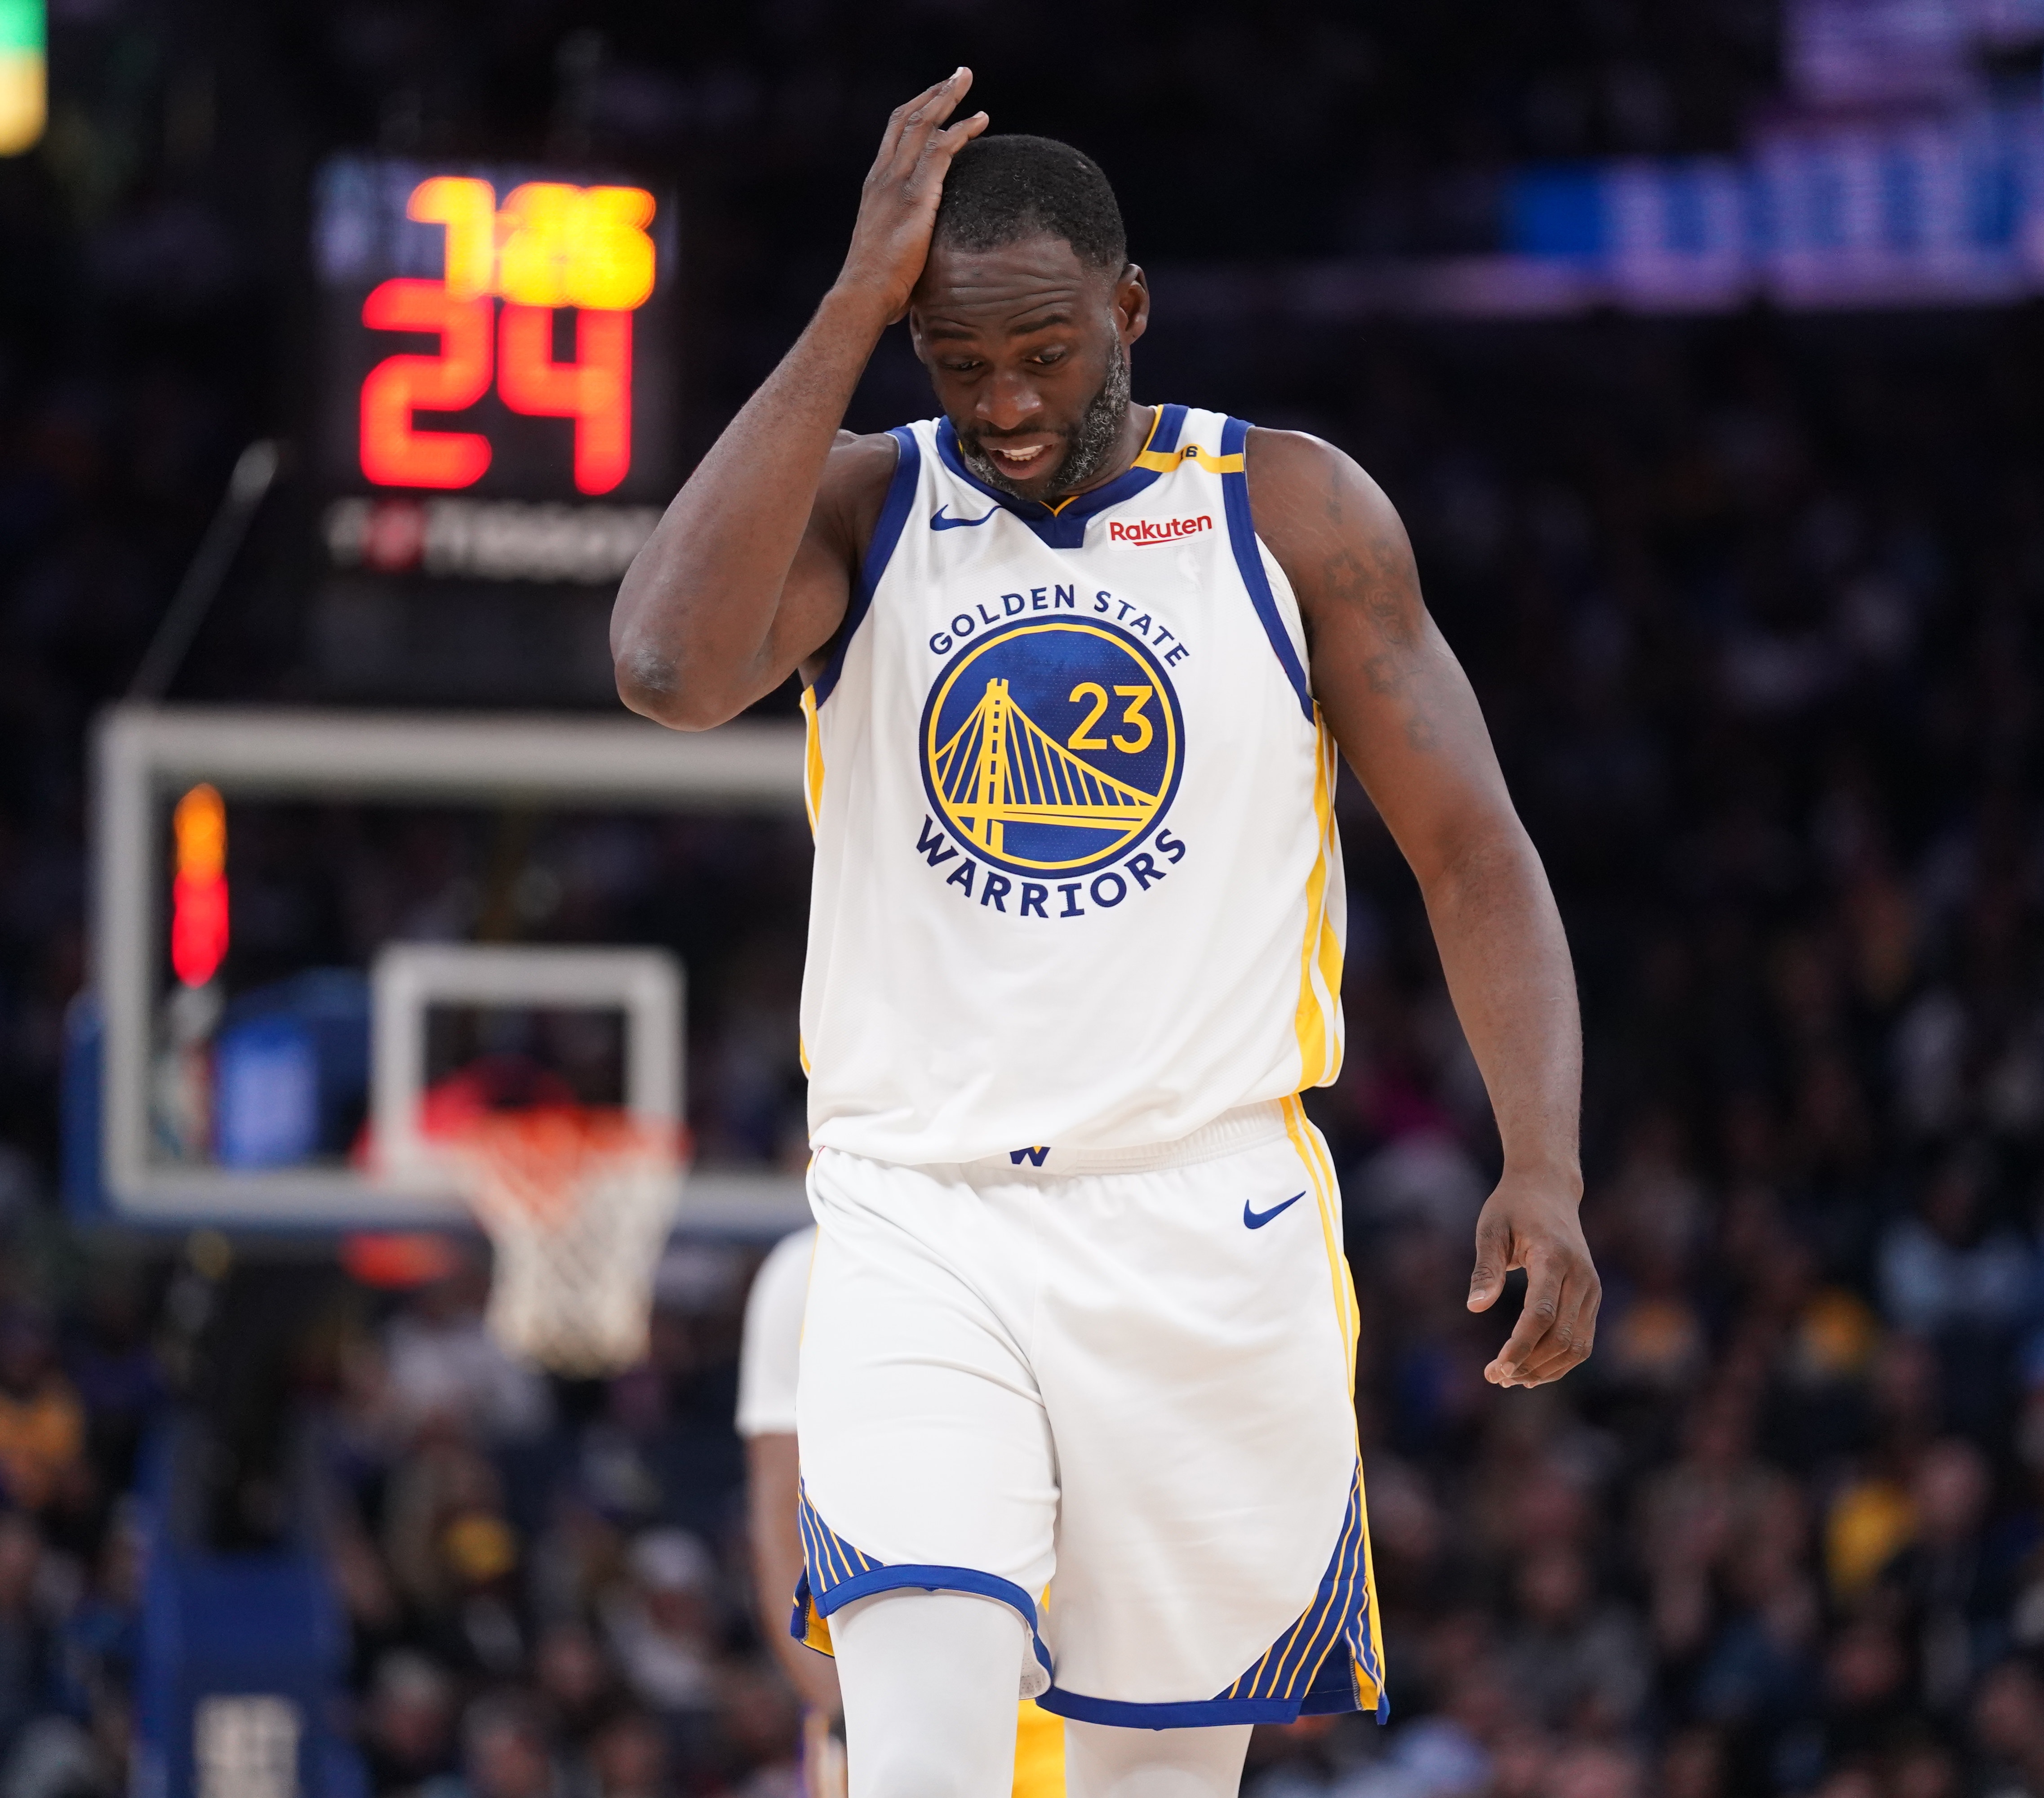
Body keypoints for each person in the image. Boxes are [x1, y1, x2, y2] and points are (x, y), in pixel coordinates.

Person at [610, 69, 1595, 1798]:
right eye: (956, 359)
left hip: (1204, 1216)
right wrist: (850, 302)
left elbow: (1473, 850)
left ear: (1130, 310)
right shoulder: (866, 504)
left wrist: (1546, 1160)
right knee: (918, 1761)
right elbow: (666, 667)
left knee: (1157, 1783)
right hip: (918, 1212)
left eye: (1044, 354)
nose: (1002, 404)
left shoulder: (1291, 513)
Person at [737, 1226, 1064, 1798]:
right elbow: (779, 1514)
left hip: (1063, 1688)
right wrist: (839, 1711)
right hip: (882, 1684)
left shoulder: (1059, 1246)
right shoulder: (806, 1271)